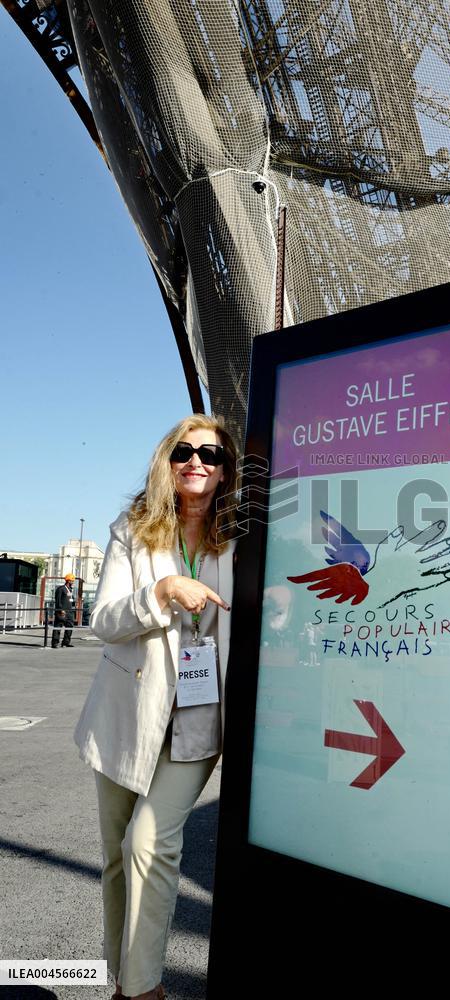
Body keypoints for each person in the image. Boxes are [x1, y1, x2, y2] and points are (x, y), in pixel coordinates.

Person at [74, 415, 238, 1000]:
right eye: (184, 452)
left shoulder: (239, 540)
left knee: (149, 842)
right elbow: (104, 621)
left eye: (211, 456)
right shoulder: (133, 529)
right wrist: (161, 592)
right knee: (117, 856)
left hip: (198, 718)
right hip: (128, 714)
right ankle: (123, 979)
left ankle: (143, 988)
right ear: (167, 463)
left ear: (225, 473)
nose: (197, 462)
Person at [52, 572, 76, 648]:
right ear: (68, 580)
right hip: (61, 612)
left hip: (70, 612)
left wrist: (74, 604)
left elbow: (71, 600)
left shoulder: (70, 590)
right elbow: (58, 600)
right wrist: (60, 609)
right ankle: (55, 643)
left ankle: (66, 642)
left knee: (70, 627)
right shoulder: (61, 589)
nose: (73, 582)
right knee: (58, 627)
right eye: (72, 581)